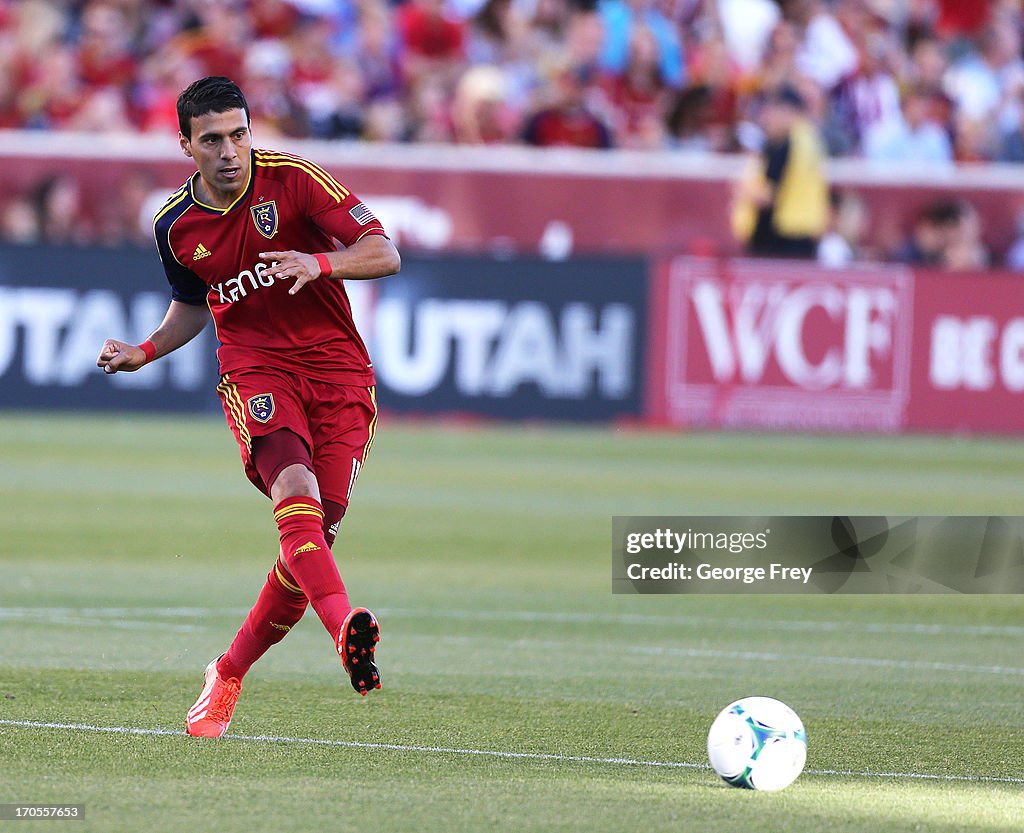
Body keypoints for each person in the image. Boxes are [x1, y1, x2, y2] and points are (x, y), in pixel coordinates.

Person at [96, 76, 401, 738]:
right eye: (213, 139)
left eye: (239, 133)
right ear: (186, 145)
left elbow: (384, 252)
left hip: (339, 371)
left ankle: (228, 670)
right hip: (255, 368)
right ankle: (346, 624)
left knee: (312, 537)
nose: (230, 150)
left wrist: (321, 264)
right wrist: (145, 351)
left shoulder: (295, 180)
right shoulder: (174, 226)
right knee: (295, 489)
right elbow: (192, 305)